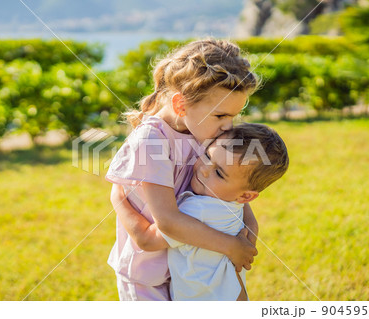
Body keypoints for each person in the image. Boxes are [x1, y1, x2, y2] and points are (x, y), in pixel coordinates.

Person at [106, 38, 259, 301]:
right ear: (181, 105)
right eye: (221, 116)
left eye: (233, 116)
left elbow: (235, 196)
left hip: (190, 267)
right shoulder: (152, 141)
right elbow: (167, 222)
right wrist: (230, 245)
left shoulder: (205, 131)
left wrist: (248, 228)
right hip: (148, 275)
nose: (228, 127)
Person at [159, 123, 289, 300]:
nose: (204, 170)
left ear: (246, 196)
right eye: (206, 156)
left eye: (219, 173)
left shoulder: (196, 209)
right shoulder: (235, 207)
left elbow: (146, 240)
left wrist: (119, 199)